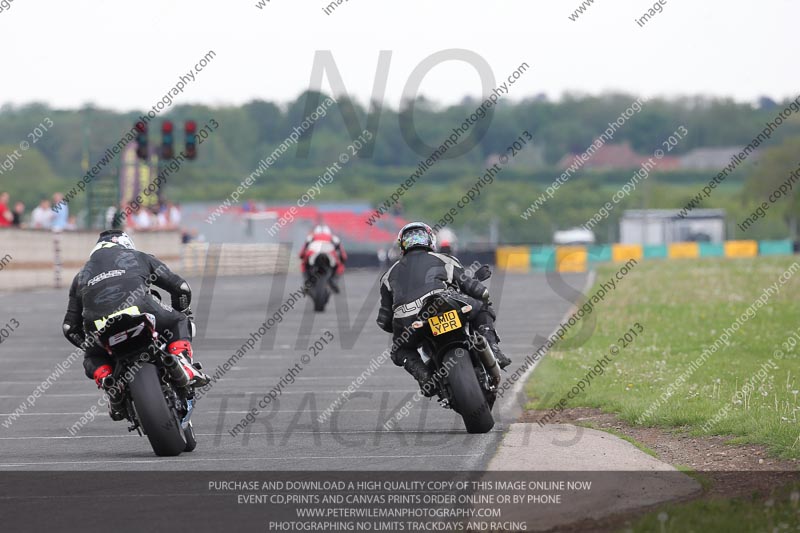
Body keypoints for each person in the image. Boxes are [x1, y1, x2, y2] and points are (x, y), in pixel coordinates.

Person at [62, 230, 209, 417]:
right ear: (126, 244)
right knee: (179, 321)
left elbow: (69, 328)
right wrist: (180, 312)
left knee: (92, 358)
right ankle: (182, 360)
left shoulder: (81, 276)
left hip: (99, 326)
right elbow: (181, 288)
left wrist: (92, 346)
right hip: (141, 311)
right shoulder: (138, 256)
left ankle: (108, 381)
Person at [376, 222, 511, 392]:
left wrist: (398, 325)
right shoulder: (444, 259)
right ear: (430, 241)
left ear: (402, 245)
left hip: (409, 321)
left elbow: (383, 321)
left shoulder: (388, 276)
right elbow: (477, 290)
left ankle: (424, 375)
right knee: (482, 307)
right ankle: (494, 349)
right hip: (443, 305)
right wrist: (481, 292)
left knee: (400, 350)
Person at [298, 224, 347, 293]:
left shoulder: (311, 237)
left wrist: (302, 256)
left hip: (313, 254)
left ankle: (308, 282)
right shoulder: (334, 238)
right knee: (340, 265)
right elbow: (342, 254)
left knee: (303, 264)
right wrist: (342, 260)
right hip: (330, 255)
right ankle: (333, 281)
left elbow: (302, 252)